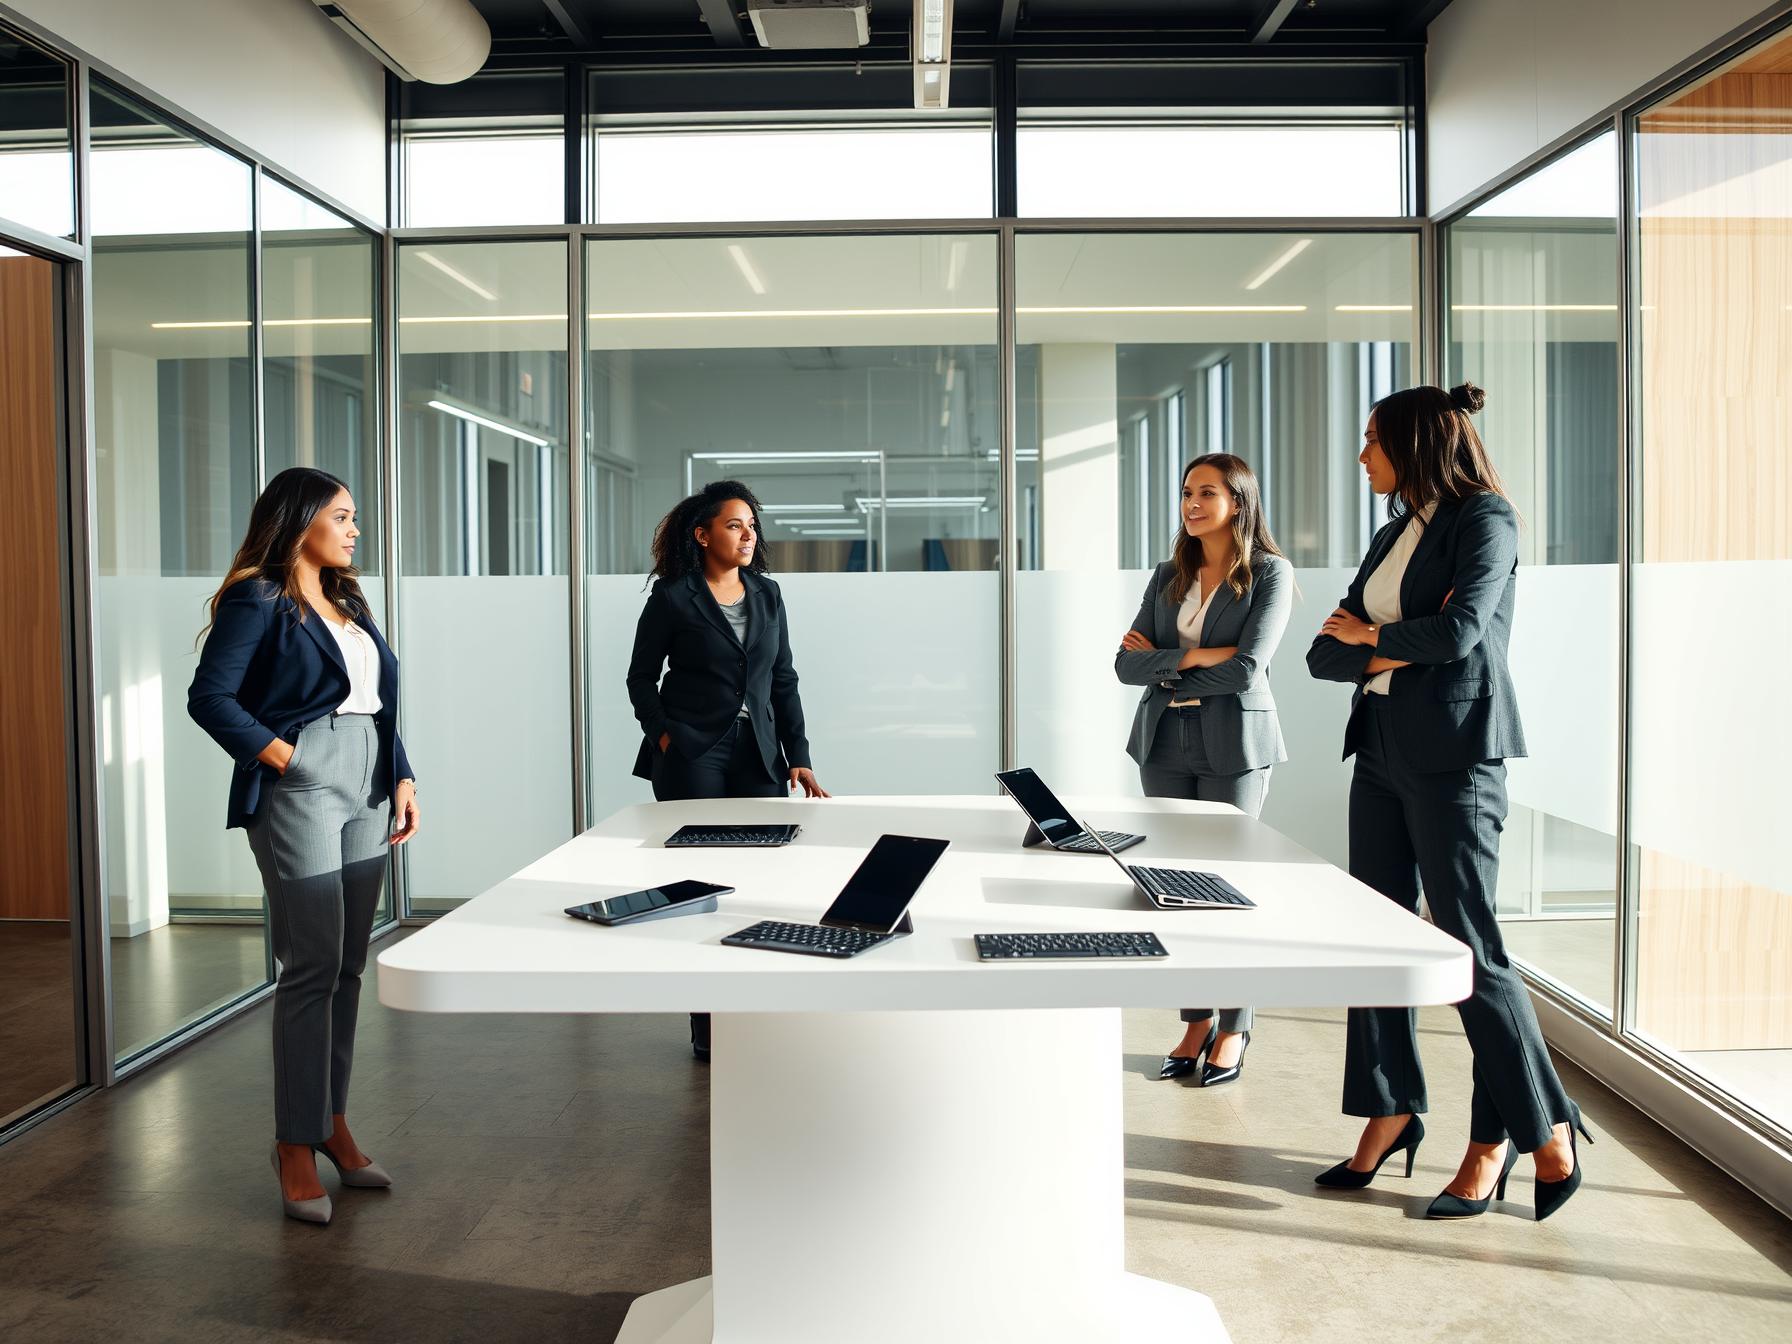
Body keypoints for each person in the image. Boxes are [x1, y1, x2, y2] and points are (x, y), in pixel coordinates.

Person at [1306, 382, 1591, 1221]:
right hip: (1383, 753)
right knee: (1377, 937)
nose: (1362, 456)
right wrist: (1375, 645)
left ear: (1413, 443)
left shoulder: (1485, 520)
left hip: (1458, 757)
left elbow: (1463, 631)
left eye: (1371, 441)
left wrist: (1373, 640)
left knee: (1470, 950)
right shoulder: (1396, 532)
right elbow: (1325, 652)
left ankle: (1523, 1135)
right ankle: (1391, 1106)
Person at [187, 467, 420, 1225]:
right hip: (303, 785)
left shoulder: (347, 599)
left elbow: (376, 703)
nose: (355, 530)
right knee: (312, 964)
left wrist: (404, 775)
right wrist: (287, 758)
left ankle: (331, 1121)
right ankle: (294, 1142)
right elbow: (210, 698)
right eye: (343, 516)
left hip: (370, 783)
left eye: (355, 518)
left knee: (349, 965)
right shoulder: (259, 596)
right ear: (301, 519)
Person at [625, 480, 828, 1060]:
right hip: (693, 751)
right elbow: (640, 676)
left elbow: (782, 679)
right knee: (703, 886)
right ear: (703, 534)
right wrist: (664, 733)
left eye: (752, 526)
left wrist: (801, 757)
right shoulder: (672, 597)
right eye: (735, 525)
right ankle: (707, 1025)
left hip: (758, 752)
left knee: (760, 881)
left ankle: (753, 1010)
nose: (747, 535)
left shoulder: (767, 594)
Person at [1116, 453, 1292, 1087]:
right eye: (1186, 491)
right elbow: (1124, 666)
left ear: (1237, 502)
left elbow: (1249, 670)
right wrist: (1195, 656)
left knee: (1228, 888)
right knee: (1175, 888)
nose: (1191, 503)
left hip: (1234, 742)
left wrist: (1169, 658)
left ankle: (1235, 1025)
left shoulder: (1269, 573)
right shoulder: (1168, 575)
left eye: (1206, 492)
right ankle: (1195, 1023)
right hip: (1164, 741)